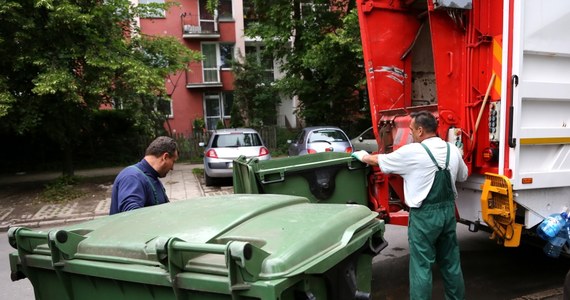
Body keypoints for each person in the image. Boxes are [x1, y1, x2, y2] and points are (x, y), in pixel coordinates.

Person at [352, 111, 468, 300]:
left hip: (424, 217)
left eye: (412, 130)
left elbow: (380, 161)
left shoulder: (413, 151)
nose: (411, 134)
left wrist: (363, 156)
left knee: (421, 266)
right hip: (448, 213)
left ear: (421, 130)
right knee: (451, 263)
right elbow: (463, 176)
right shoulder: (452, 149)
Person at [110, 136, 179, 215]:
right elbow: (131, 216)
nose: (172, 168)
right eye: (173, 162)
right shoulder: (132, 177)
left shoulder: (152, 177)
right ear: (165, 157)